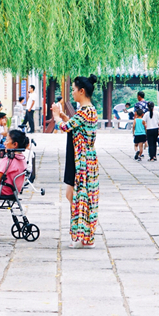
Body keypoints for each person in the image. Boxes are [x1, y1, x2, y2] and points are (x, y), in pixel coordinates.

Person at [52, 76, 99, 248]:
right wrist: (64, 116)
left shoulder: (85, 111)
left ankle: (82, 236)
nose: (72, 92)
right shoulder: (88, 110)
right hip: (84, 158)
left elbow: (64, 128)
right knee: (75, 196)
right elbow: (72, 125)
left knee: (79, 197)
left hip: (83, 161)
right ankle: (84, 235)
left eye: (73, 89)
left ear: (82, 91)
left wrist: (57, 117)